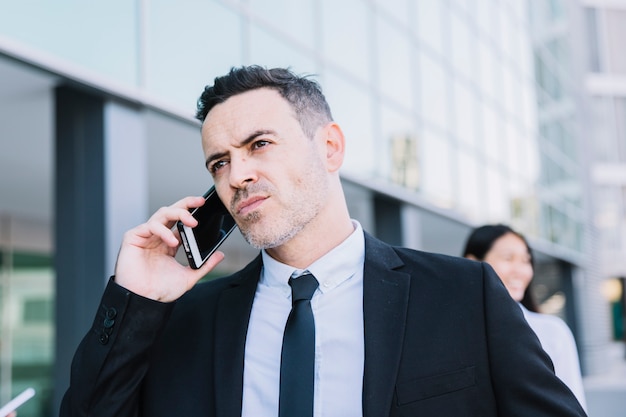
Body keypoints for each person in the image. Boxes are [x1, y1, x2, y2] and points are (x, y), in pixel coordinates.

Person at [59, 65, 587, 417]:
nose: (236, 175)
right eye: (219, 162)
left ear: (330, 147)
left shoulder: (461, 294)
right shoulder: (187, 318)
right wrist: (136, 299)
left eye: (259, 144)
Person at [463, 224, 587, 410]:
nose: (520, 271)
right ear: (472, 262)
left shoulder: (552, 331)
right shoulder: (453, 332)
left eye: (525, 260)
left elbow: (574, 405)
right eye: (508, 258)